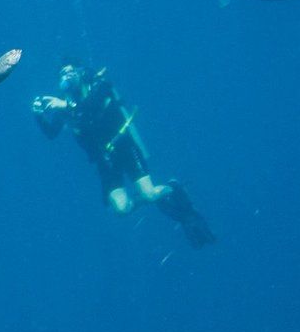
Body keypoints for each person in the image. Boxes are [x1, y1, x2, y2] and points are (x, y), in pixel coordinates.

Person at [32, 64, 215, 247]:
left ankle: (172, 188)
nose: (67, 76)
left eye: (71, 71)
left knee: (150, 194)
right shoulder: (65, 105)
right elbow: (51, 133)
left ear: (80, 73)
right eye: (63, 74)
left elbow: (92, 107)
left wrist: (65, 105)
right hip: (104, 160)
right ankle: (151, 196)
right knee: (121, 209)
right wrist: (39, 116)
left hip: (125, 147)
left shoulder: (99, 86)